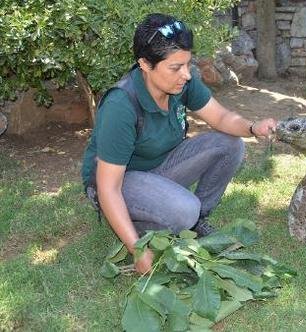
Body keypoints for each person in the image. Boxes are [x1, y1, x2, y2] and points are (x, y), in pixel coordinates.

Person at [80, 13, 276, 274]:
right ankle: (140, 225)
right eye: (175, 67)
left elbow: (221, 117)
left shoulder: (181, 84)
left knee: (232, 145)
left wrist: (252, 128)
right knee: (184, 209)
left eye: (187, 64)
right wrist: (136, 248)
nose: (185, 74)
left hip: (160, 168)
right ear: (145, 65)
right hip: (120, 181)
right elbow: (108, 187)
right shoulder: (121, 105)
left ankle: (197, 221)